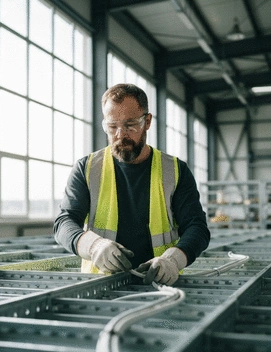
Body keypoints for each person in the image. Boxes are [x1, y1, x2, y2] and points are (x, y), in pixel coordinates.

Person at [54, 83, 210, 286]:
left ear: (147, 121)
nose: (120, 135)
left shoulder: (175, 170)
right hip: (100, 286)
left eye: (130, 125)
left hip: (161, 284)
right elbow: (64, 223)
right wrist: (94, 246)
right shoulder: (87, 169)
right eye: (112, 127)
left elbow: (197, 227)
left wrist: (174, 259)